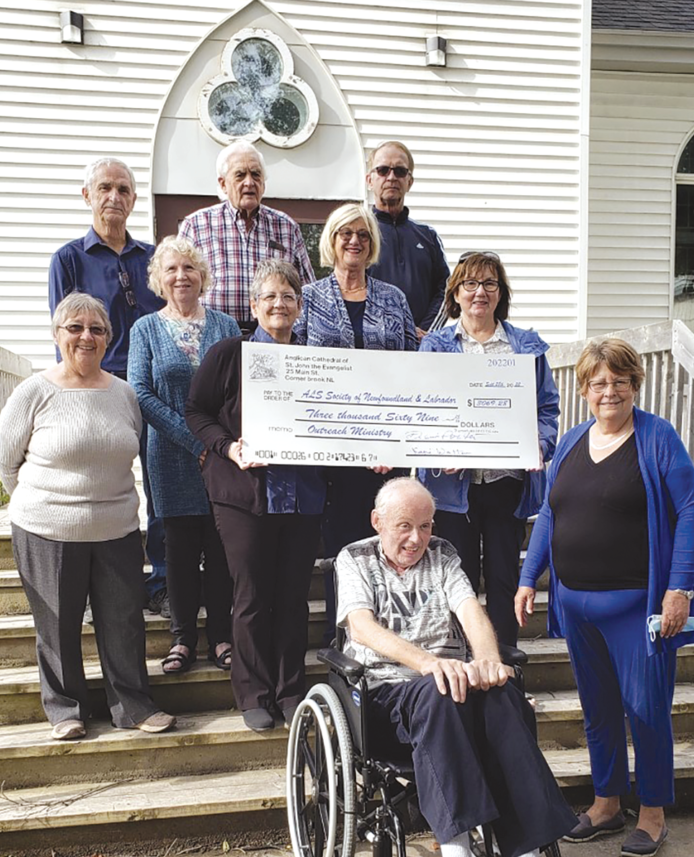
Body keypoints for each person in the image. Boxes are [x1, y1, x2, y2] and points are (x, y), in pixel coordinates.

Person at [336, 477, 612, 857]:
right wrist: (428, 664)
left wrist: (486, 660)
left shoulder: (443, 555)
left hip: (451, 687)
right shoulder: (354, 559)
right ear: (378, 522)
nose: (416, 538)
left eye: (424, 526)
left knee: (503, 693)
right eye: (404, 527)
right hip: (385, 697)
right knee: (441, 692)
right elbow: (361, 626)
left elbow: (472, 613)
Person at [516, 338, 694, 857]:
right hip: (576, 604)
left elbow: (691, 511)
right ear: (584, 389)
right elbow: (551, 516)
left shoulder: (657, 437)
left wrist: (679, 588)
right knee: (598, 710)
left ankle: (652, 814)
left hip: (637, 609)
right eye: (598, 382)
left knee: (646, 711)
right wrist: (529, 577)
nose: (609, 391)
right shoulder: (574, 440)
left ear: (634, 385)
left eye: (619, 381)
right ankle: (605, 804)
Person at [0, 294, 176, 741]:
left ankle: (131, 706)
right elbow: (3, 458)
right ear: (58, 335)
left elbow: (127, 449)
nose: (86, 336)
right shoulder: (35, 390)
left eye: (97, 329)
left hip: (117, 529)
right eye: (75, 327)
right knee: (56, 622)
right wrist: (43, 504)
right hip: (46, 530)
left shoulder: (124, 393)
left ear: (108, 339)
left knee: (124, 620)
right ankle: (65, 709)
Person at [185, 260, 326, 732]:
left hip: (301, 495)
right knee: (250, 595)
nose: (279, 305)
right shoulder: (230, 354)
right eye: (269, 296)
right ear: (253, 306)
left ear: (300, 307)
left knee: (292, 598)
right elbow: (196, 411)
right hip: (243, 495)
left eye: (288, 297)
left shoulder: (316, 360)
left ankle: (290, 690)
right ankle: (253, 692)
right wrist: (229, 447)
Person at [419, 251, 559, 649]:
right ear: (456, 293)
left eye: (489, 284)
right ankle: (464, 668)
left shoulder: (525, 348)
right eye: (470, 284)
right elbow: (424, 409)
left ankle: (505, 671)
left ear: (500, 293)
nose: (480, 292)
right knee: (457, 580)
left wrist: (540, 444)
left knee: (502, 578)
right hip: (452, 490)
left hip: (505, 484)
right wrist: (437, 452)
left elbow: (547, 407)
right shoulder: (436, 347)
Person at [48, 157, 167, 616]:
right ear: (88, 196)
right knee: (102, 481)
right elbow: (65, 332)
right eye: (104, 188)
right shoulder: (69, 259)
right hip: (100, 386)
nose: (113, 197)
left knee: (157, 484)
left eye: (123, 189)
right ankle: (101, 581)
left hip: (151, 387)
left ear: (134, 200)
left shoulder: (153, 258)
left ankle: (159, 579)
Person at [294, 202, 418, 640]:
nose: (354, 241)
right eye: (345, 233)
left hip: (387, 452)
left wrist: (398, 441)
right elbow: (293, 366)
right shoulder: (308, 299)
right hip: (332, 450)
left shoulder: (394, 299)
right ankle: (344, 637)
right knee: (344, 547)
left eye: (363, 235)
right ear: (330, 241)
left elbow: (411, 370)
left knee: (394, 541)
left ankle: (394, 637)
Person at [127, 237, 238, 676]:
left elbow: (236, 390)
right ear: (159, 278)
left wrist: (217, 445)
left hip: (223, 456)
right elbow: (142, 393)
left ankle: (222, 637)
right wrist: (198, 444)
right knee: (179, 551)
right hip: (171, 456)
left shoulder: (227, 326)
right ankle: (183, 638)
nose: (181, 276)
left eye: (189, 268)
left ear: (202, 275)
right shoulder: (145, 330)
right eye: (172, 269)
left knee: (220, 548)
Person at [178, 141, 315, 332]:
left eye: (256, 174)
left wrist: (293, 334)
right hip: (213, 336)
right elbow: (180, 291)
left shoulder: (286, 226)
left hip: (272, 338)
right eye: (240, 175)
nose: (249, 182)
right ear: (223, 184)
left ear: (263, 184)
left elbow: (308, 291)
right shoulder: (196, 225)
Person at [365, 140, 449, 338]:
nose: (392, 177)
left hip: (422, 345)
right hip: (373, 346)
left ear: (409, 181)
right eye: (383, 170)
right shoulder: (358, 235)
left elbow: (447, 290)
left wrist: (427, 332)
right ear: (370, 180)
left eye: (400, 171)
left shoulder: (428, 236)